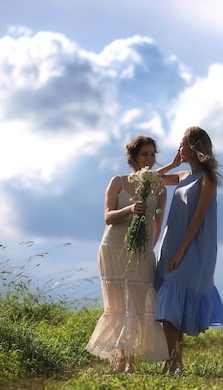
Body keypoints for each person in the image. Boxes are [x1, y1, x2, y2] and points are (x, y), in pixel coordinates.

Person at [86, 135, 169, 373]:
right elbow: (108, 216)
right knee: (118, 305)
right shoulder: (118, 182)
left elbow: (157, 224)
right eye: (145, 154)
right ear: (133, 157)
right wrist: (130, 208)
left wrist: (147, 248)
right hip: (113, 246)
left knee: (138, 303)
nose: (150, 159)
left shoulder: (160, 188)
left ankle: (129, 359)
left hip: (142, 252)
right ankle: (123, 359)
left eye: (153, 154)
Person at [155, 126, 223, 374]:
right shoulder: (184, 175)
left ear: (194, 148)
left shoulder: (207, 179)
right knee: (172, 307)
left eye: (182, 145)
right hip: (172, 245)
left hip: (193, 250)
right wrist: (172, 164)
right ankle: (176, 362)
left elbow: (198, 217)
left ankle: (172, 362)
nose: (179, 149)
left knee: (170, 303)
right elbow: (154, 179)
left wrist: (181, 251)